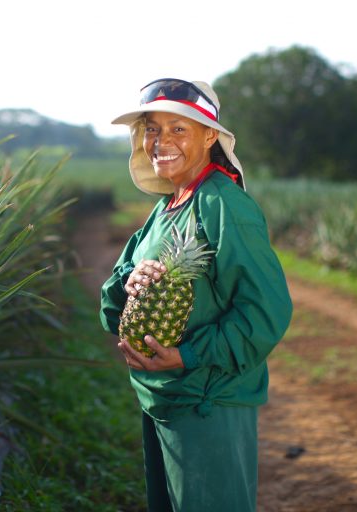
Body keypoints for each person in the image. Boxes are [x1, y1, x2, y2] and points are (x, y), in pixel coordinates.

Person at [99, 78, 293, 511]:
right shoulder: (165, 210)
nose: (161, 141)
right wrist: (130, 281)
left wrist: (188, 355)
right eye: (152, 129)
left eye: (179, 129)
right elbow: (111, 308)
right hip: (162, 398)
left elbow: (266, 312)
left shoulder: (223, 204)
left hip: (208, 403)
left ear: (210, 136)